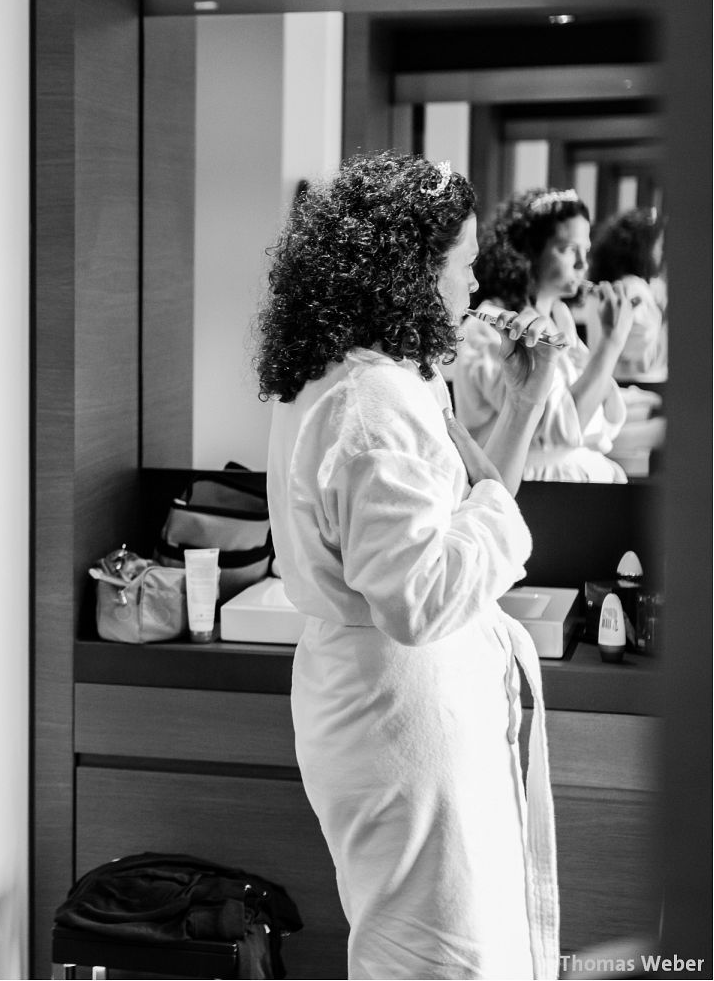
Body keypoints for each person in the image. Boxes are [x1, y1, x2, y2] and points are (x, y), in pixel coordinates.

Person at [256, 152, 561, 979]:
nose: (472, 288)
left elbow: (455, 516)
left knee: (453, 945)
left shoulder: (384, 381)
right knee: (437, 958)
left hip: (397, 702)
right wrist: (501, 512)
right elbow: (420, 596)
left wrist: (524, 408)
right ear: (410, 271)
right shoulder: (372, 405)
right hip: (402, 716)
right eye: (462, 266)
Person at [453, 189, 635, 482]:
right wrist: (610, 345)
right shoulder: (492, 327)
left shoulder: (560, 316)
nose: (581, 264)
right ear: (528, 253)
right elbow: (559, 429)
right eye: (567, 248)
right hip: (528, 483)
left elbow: (598, 417)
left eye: (584, 251)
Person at [586, 206, 667, 384]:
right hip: (635, 384)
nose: (661, 252)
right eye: (658, 245)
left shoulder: (607, 285)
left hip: (608, 379)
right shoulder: (632, 287)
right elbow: (637, 353)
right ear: (642, 247)